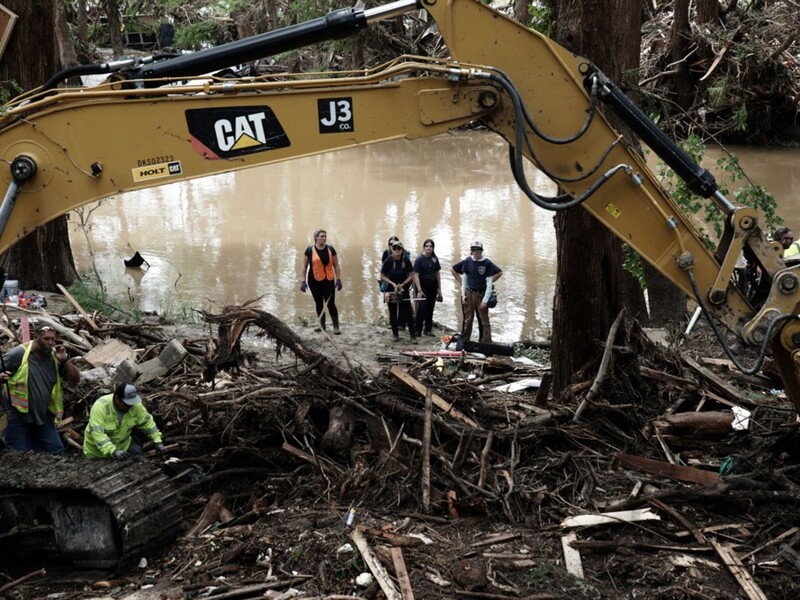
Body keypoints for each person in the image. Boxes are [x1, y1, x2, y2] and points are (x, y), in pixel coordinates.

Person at [0, 323, 80, 453]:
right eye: (46, 339)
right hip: (17, 415)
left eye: (53, 339)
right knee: (18, 454)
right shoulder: (19, 354)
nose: (50, 342)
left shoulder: (55, 357)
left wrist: (65, 361)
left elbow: (75, 379)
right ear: (36, 337)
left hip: (43, 415)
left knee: (55, 450)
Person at [83, 383, 165, 460]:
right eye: (127, 404)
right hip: (98, 453)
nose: (130, 407)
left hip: (123, 446)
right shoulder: (100, 407)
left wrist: (157, 440)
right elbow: (98, 434)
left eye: (131, 404)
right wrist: (113, 451)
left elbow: (147, 423)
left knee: (141, 460)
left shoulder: (135, 405)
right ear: (117, 399)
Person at [452, 240, 502, 343]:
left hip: (481, 294)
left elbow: (489, 284)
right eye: (474, 250)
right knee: (468, 319)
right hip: (469, 293)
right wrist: (463, 295)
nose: (476, 252)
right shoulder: (467, 261)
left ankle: (486, 342)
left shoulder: (487, 263)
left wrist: (485, 300)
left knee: (484, 320)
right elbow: (465, 279)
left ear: (482, 251)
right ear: (471, 251)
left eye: (478, 250)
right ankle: (465, 341)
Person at [299, 229, 343, 334]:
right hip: (313, 281)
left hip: (328, 280)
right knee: (318, 303)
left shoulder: (331, 249)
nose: (324, 238)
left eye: (325, 236)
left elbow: (336, 265)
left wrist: (339, 279)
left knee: (330, 303)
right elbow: (304, 267)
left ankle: (336, 326)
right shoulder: (309, 250)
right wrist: (303, 281)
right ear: (316, 238)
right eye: (322, 236)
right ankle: (322, 325)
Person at [380, 241, 417, 343]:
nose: (396, 251)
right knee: (392, 312)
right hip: (390, 289)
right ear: (392, 249)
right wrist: (391, 283)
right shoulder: (388, 261)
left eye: (399, 249)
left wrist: (403, 284)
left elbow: (411, 275)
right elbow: (382, 275)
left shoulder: (406, 260)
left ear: (402, 250)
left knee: (408, 312)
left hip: (402, 289)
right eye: (394, 248)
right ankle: (395, 334)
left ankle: (413, 336)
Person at [413, 238, 443, 337]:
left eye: (430, 246)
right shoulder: (419, 259)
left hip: (433, 286)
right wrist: (419, 290)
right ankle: (417, 329)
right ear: (424, 247)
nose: (428, 248)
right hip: (422, 286)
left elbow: (437, 274)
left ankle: (428, 330)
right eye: (427, 246)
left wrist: (439, 289)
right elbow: (415, 275)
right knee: (422, 306)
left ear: (433, 248)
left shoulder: (435, 259)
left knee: (430, 307)